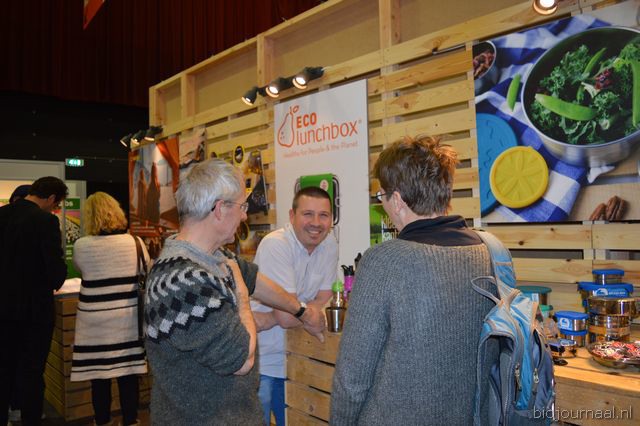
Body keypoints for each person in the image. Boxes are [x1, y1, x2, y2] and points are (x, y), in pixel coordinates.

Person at [144, 159, 326, 425]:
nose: (244, 216)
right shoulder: (182, 281)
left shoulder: (213, 256)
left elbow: (256, 281)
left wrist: (301, 310)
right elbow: (241, 360)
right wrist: (242, 298)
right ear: (220, 209)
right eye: (242, 207)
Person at [330, 136, 495, 425]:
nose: (383, 204)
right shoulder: (491, 252)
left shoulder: (383, 261)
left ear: (396, 200)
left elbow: (353, 376)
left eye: (381, 196)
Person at [252, 186, 338, 425]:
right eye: (308, 214)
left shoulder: (329, 244)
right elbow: (286, 317)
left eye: (323, 215)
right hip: (263, 364)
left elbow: (325, 297)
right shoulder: (275, 245)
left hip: (299, 360)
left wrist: (286, 312)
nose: (316, 223)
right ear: (292, 216)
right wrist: (291, 313)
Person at [70, 192, 149, 426]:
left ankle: (102, 421)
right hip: (127, 319)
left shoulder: (81, 246)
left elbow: (81, 269)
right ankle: (130, 421)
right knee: (128, 375)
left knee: (98, 378)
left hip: (93, 323)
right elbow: (146, 269)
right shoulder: (135, 243)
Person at [0, 176, 68, 426]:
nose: (54, 209)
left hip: (2, 311)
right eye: (56, 204)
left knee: (3, 370)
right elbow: (55, 273)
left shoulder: (2, 215)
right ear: (51, 198)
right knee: (31, 373)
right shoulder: (45, 221)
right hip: (34, 313)